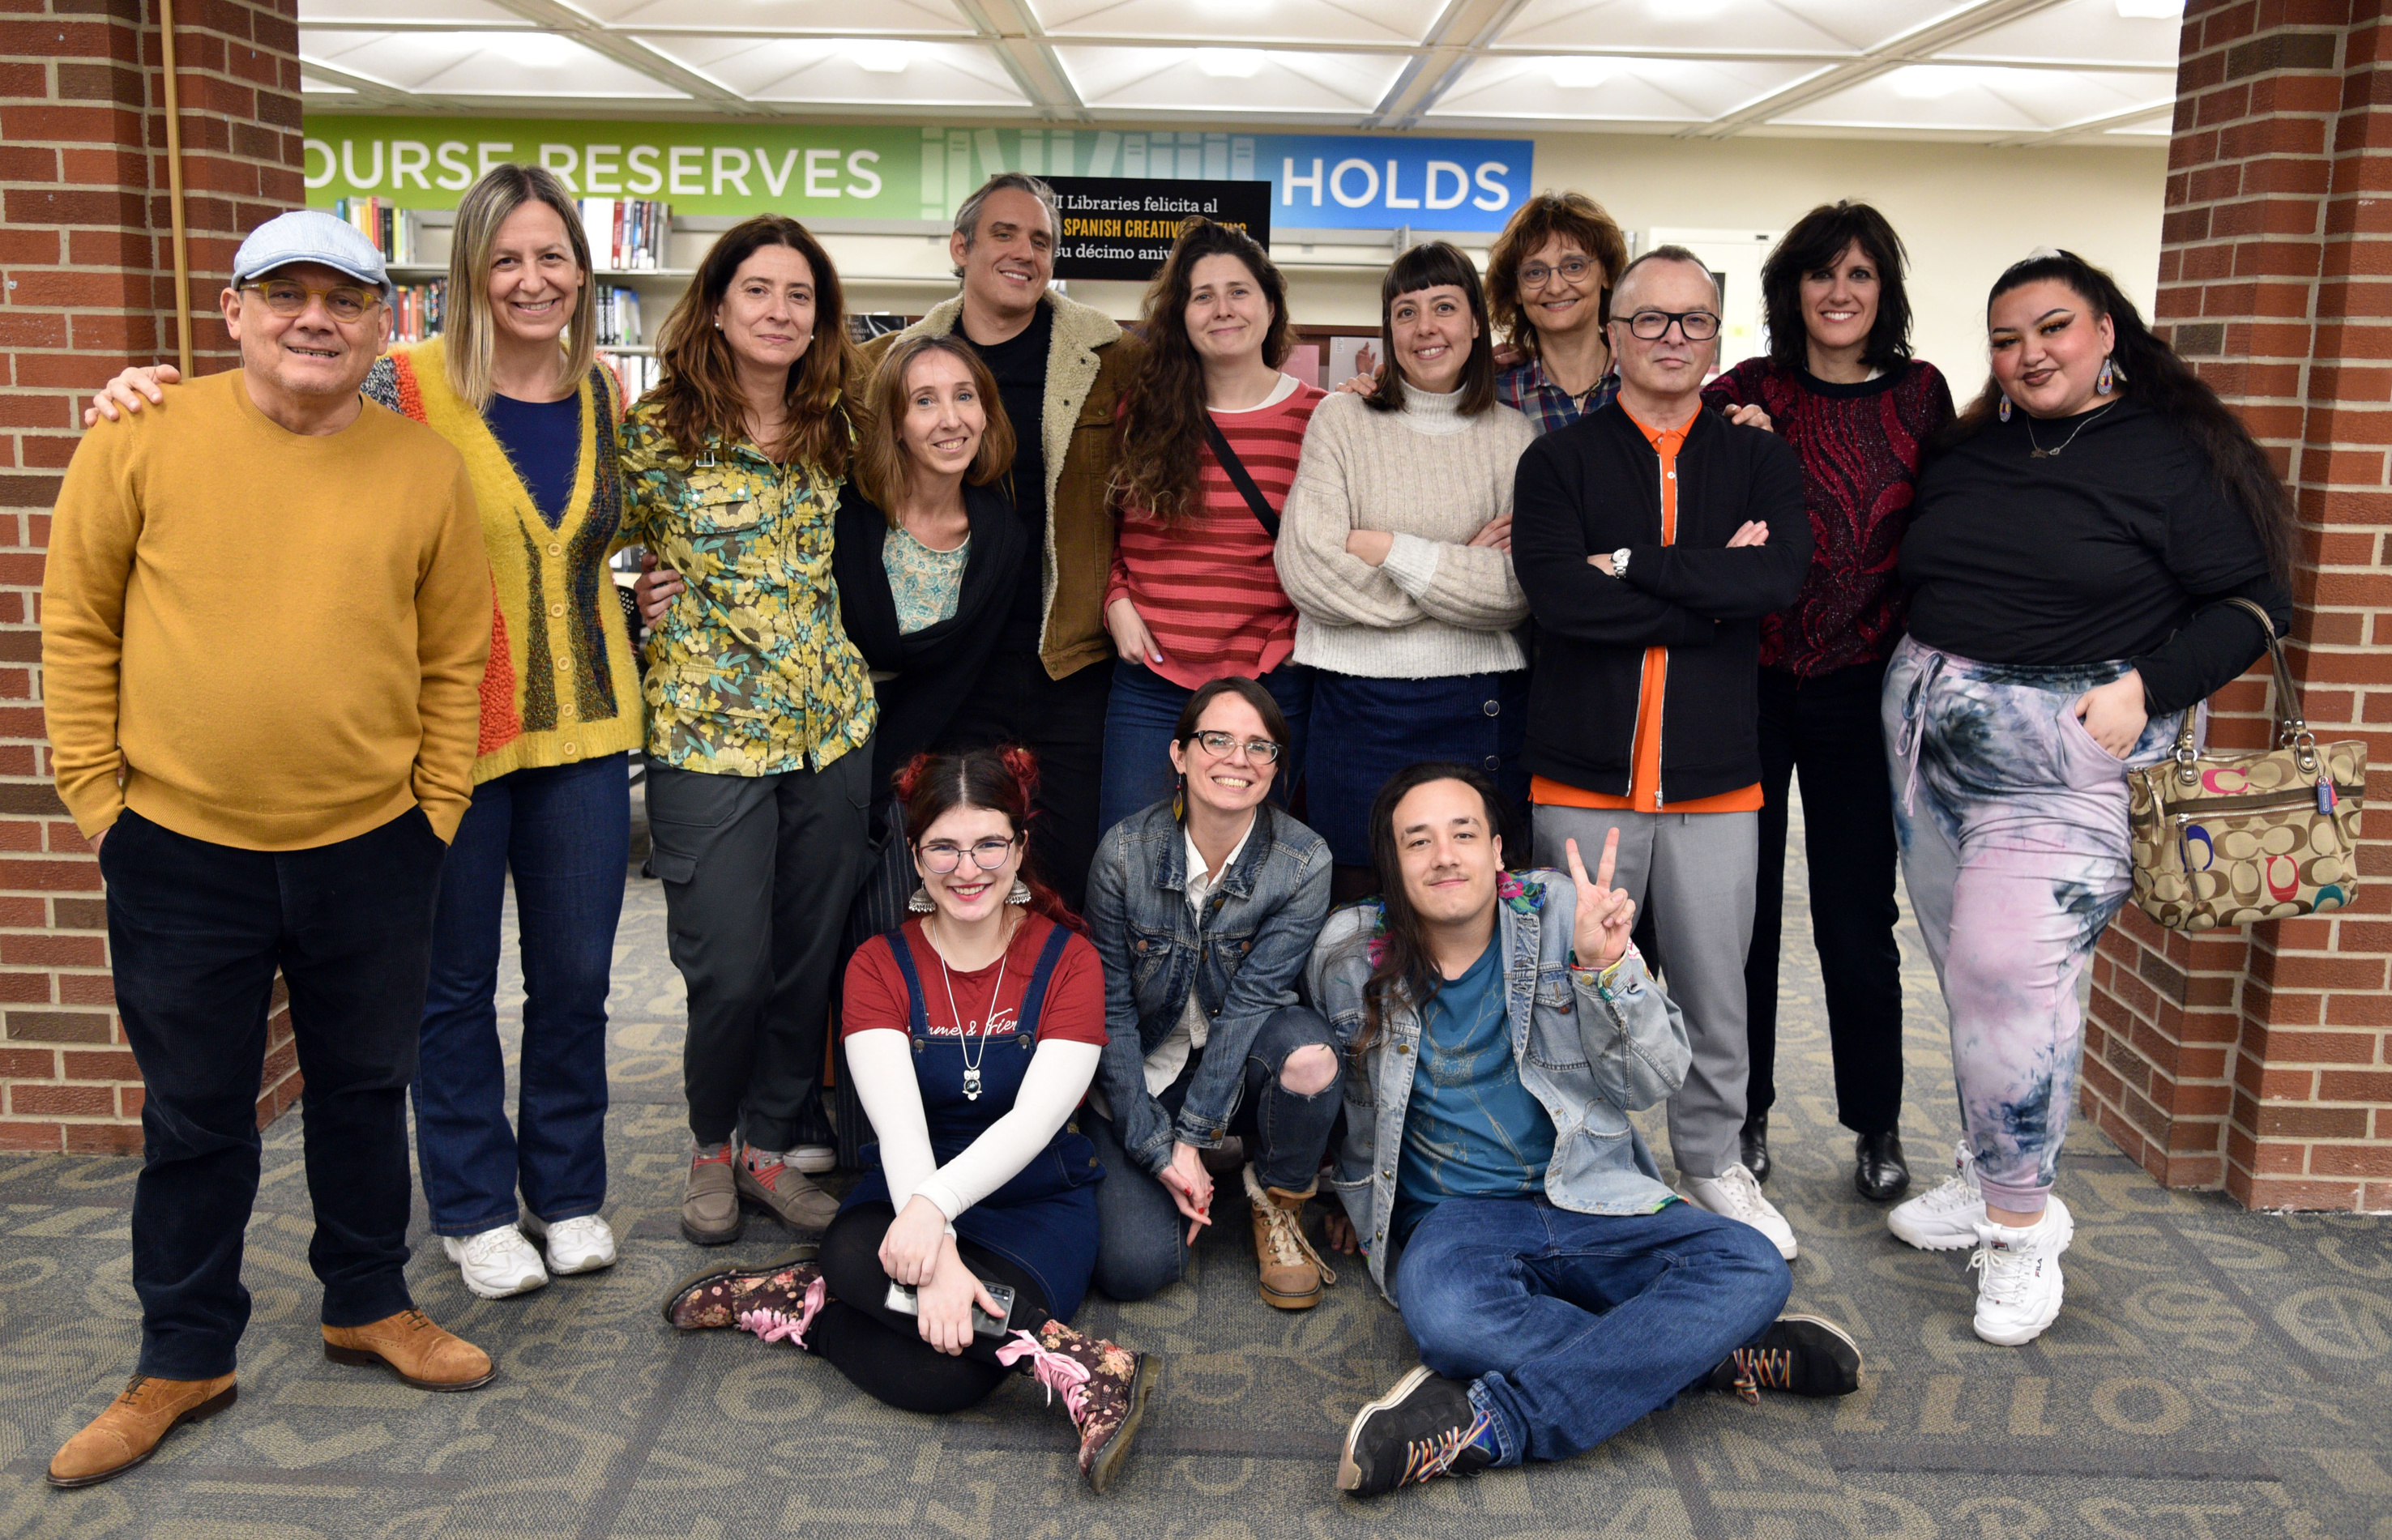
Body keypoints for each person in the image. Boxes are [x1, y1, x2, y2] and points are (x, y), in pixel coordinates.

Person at [88, 164, 642, 1300]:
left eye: (552, 257)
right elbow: (279, 409)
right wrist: (128, 393)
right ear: (466, 278)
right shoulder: (400, 381)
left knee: (578, 979)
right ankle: (478, 1207)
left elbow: (610, 539)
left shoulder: (606, 395)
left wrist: (668, 584)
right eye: (507, 259)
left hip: (586, 725)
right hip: (445, 741)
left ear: (582, 271)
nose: (532, 280)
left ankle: (570, 1187)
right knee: (449, 988)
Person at [40, 210, 497, 1488]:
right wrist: (100, 804)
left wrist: (435, 812)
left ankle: (364, 1300)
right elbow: (74, 626)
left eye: (344, 300)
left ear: (380, 325)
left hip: (373, 845)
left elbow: (455, 652)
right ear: (232, 310)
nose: (315, 318)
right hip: (179, 847)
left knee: (363, 1091)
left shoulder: (422, 470)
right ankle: (184, 1349)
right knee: (195, 1114)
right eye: (283, 293)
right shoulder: (143, 436)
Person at [1883, 248, 2292, 1346]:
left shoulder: (2172, 454)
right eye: (2007, 340)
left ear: (2108, 328)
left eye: (2052, 329)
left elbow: (2259, 600)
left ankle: (2021, 1227)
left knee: (2012, 974)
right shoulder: (1977, 444)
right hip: (1931, 744)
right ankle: (1982, 1173)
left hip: (2068, 760)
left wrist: (2149, 688)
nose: (2028, 356)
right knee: (1969, 975)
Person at [1309, 764, 1860, 1496]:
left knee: (1755, 1265)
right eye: (1419, 841)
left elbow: (1654, 1080)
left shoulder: (1564, 912)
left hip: (1595, 1195)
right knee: (1445, 1315)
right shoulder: (1350, 954)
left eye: (1463, 833)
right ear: (1393, 864)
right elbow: (1334, 1096)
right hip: (1459, 1221)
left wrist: (1610, 973)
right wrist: (1334, 1199)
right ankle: (1707, 1354)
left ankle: (1490, 1424)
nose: (1445, 855)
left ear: (1499, 849)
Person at [660, 748, 1155, 1495]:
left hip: (1033, 1191)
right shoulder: (876, 965)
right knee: (883, 1285)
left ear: (1020, 848)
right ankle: (1078, 1362)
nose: (969, 868)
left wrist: (932, 1218)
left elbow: (1033, 1122)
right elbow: (899, 1131)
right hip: (908, 1177)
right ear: (915, 856)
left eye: (990, 843)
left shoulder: (1071, 961)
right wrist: (939, 1246)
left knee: (945, 1374)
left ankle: (812, 1301)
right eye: (944, 847)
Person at [1509, 246, 1811, 1261]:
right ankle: (1593, 1157)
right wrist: (1706, 591)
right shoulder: (1560, 461)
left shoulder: (1758, 456)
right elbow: (1561, 600)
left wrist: (1637, 570)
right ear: (1612, 335)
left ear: (1716, 339)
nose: (1672, 338)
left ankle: (1714, 1160)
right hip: (1583, 777)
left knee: (1718, 989)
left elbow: (1775, 584)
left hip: (1718, 778)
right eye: (1649, 320)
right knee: (1581, 982)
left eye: (1693, 322)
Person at [621, 215, 877, 1245]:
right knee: (725, 961)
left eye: (800, 295)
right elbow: (578, 541)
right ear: (718, 306)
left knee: (804, 956)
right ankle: (708, 1144)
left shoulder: (842, 425)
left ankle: (770, 1146)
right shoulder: (653, 431)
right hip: (707, 734)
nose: (780, 312)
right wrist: (643, 587)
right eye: (759, 291)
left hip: (831, 729)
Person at [1700, 202, 1957, 1203]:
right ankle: (1746, 1111)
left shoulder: (1922, 396)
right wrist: (1732, 442)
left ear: (1882, 290)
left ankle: (1876, 1123)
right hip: (1748, 682)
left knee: (1857, 917)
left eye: (1858, 275)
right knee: (1742, 913)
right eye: (1820, 275)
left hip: (1864, 684)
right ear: (1791, 290)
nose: (1839, 293)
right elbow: (1643, 430)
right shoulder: (1745, 389)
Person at [863, 173, 1130, 909]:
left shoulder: (1108, 357)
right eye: (1004, 234)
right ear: (961, 247)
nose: (1024, 252)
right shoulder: (889, 365)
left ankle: (1054, 1022)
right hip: (950, 662)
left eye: (1040, 239)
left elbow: (1167, 467)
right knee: (957, 871)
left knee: (1066, 873)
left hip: (1068, 661)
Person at [1275, 241, 1539, 898]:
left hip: (1479, 701)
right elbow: (1308, 570)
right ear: (1388, 328)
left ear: (1476, 323)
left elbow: (1516, 591)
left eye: (1445, 307)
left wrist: (1391, 549)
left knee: (1470, 909)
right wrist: (1458, 572)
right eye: (1406, 311)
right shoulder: (1341, 419)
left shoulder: (1514, 436)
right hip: (1355, 707)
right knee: (1359, 920)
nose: (1426, 328)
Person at [1083, 677, 1338, 1308]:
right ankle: (1191, 1164)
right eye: (1217, 739)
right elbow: (1110, 1010)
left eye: (1260, 747)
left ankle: (1276, 1198)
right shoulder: (1122, 853)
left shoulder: (1304, 860)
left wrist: (1191, 1140)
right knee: (1133, 1268)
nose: (1237, 759)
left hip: (1249, 1055)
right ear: (1179, 754)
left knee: (1311, 1058)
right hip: (1149, 1066)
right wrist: (1154, 1144)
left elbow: (1252, 1003)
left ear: (1277, 768)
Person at [1096, 218, 1327, 833]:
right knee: (1128, 857)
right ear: (1182, 315)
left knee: (1257, 871)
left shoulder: (1322, 418)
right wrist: (1116, 598)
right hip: (1153, 680)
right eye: (1202, 296)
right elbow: (1106, 531)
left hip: (1271, 680)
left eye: (1239, 291)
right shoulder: (1141, 413)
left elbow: (1335, 547)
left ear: (1271, 305)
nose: (1222, 309)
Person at [830, 333, 1028, 945]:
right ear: (892, 423)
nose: (951, 419)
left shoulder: (1001, 536)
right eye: (924, 401)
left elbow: (980, 683)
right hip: (831, 763)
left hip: (928, 768)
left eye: (965, 397)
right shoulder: (844, 514)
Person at [1486, 191, 1630, 432]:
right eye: (1535, 272)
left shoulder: (1641, 382)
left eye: (1574, 266)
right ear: (1517, 291)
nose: (1555, 287)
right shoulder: (1495, 395)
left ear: (1605, 274)